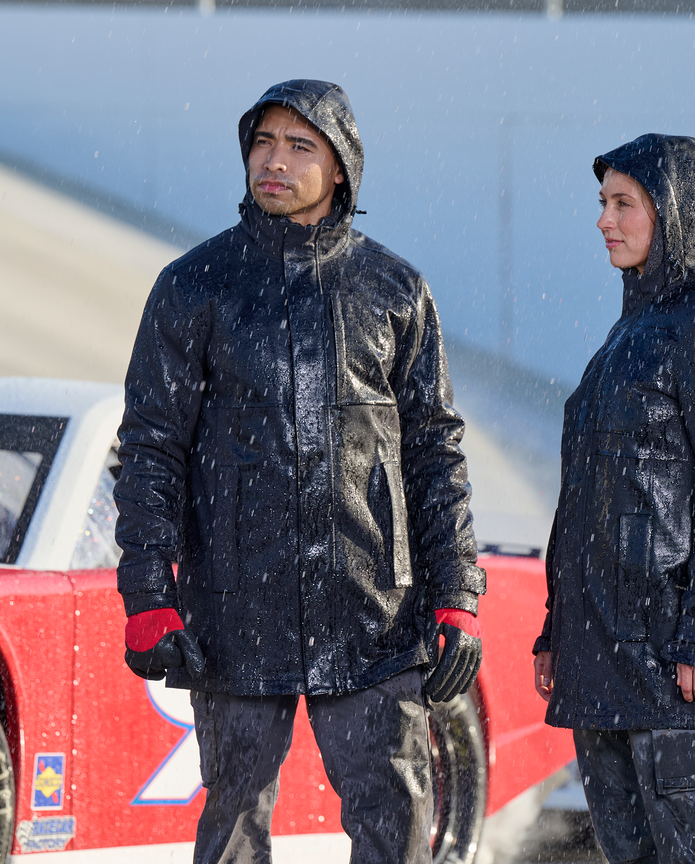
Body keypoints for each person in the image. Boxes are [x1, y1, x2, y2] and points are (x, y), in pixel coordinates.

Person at [113, 79, 486, 864]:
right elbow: (150, 449)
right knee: (235, 822)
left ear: (342, 168)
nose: (273, 162)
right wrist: (148, 594)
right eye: (263, 143)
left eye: (299, 147)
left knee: (395, 819)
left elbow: (434, 454)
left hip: (373, 611)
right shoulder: (194, 285)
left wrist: (456, 594)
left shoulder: (395, 290)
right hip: (235, 607)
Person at [532, 134, 695, 864]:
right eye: (602, 203)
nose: (604, 220)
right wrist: (556, 629)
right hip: (600, 663)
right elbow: (585, 504)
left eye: (623, 203)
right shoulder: (622, 337)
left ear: (680, 212)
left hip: (673, 667)